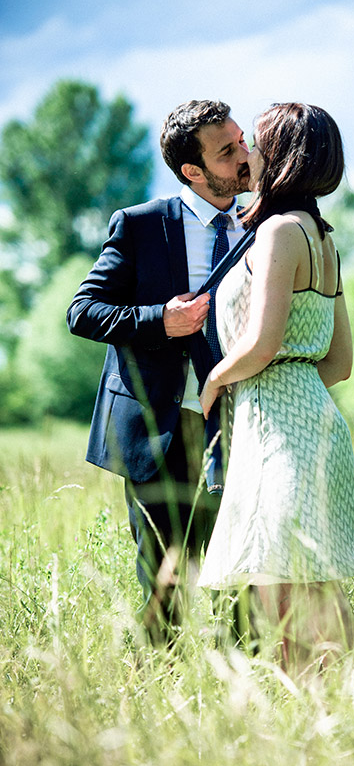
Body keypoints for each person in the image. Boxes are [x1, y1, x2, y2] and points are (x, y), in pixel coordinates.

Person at [198, 102, 354, 671]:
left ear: (280, 155)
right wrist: (293, 382)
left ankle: (322, 705)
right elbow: (339, 361)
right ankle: (353, 700)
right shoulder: (323, 239)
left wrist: (217, 379)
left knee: (281, 592)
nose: (247, 153)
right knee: (309, 587)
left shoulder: (279, 232)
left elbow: (260, 343)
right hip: (313, 421)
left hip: (278, 433)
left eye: (255, 143)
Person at [66, 99, 251, 643]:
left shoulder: (263, 223)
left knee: (240, 580)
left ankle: (245, 683)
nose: (244, 155)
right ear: (193, 170)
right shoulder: (142, 225)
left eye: (242, 140)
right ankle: (159, 684)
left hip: (239, 424)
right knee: (165, 590)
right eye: (227, 151)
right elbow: (83, 311)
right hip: (156, 428)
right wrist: (159, 320)